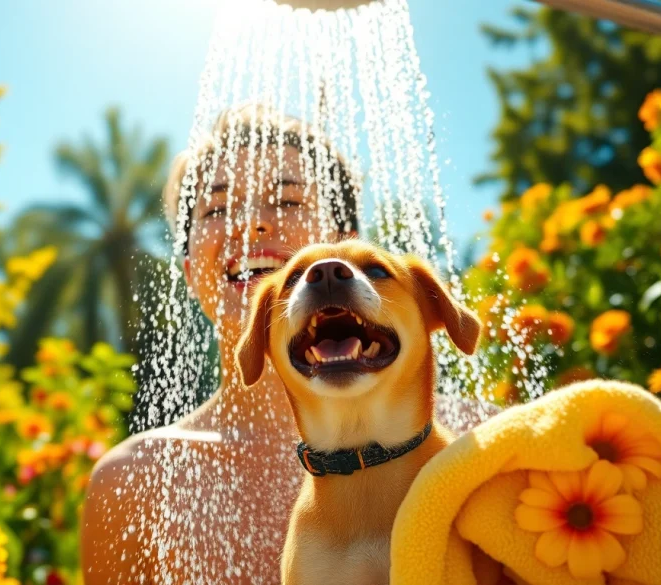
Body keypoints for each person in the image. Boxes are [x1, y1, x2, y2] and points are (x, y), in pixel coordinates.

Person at [80, 105, 493, 585]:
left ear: (345, 248)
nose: (251, 225)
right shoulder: (134, 482)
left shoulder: (484, 445)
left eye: (288, 200)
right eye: (216, 210)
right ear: (190, 271)